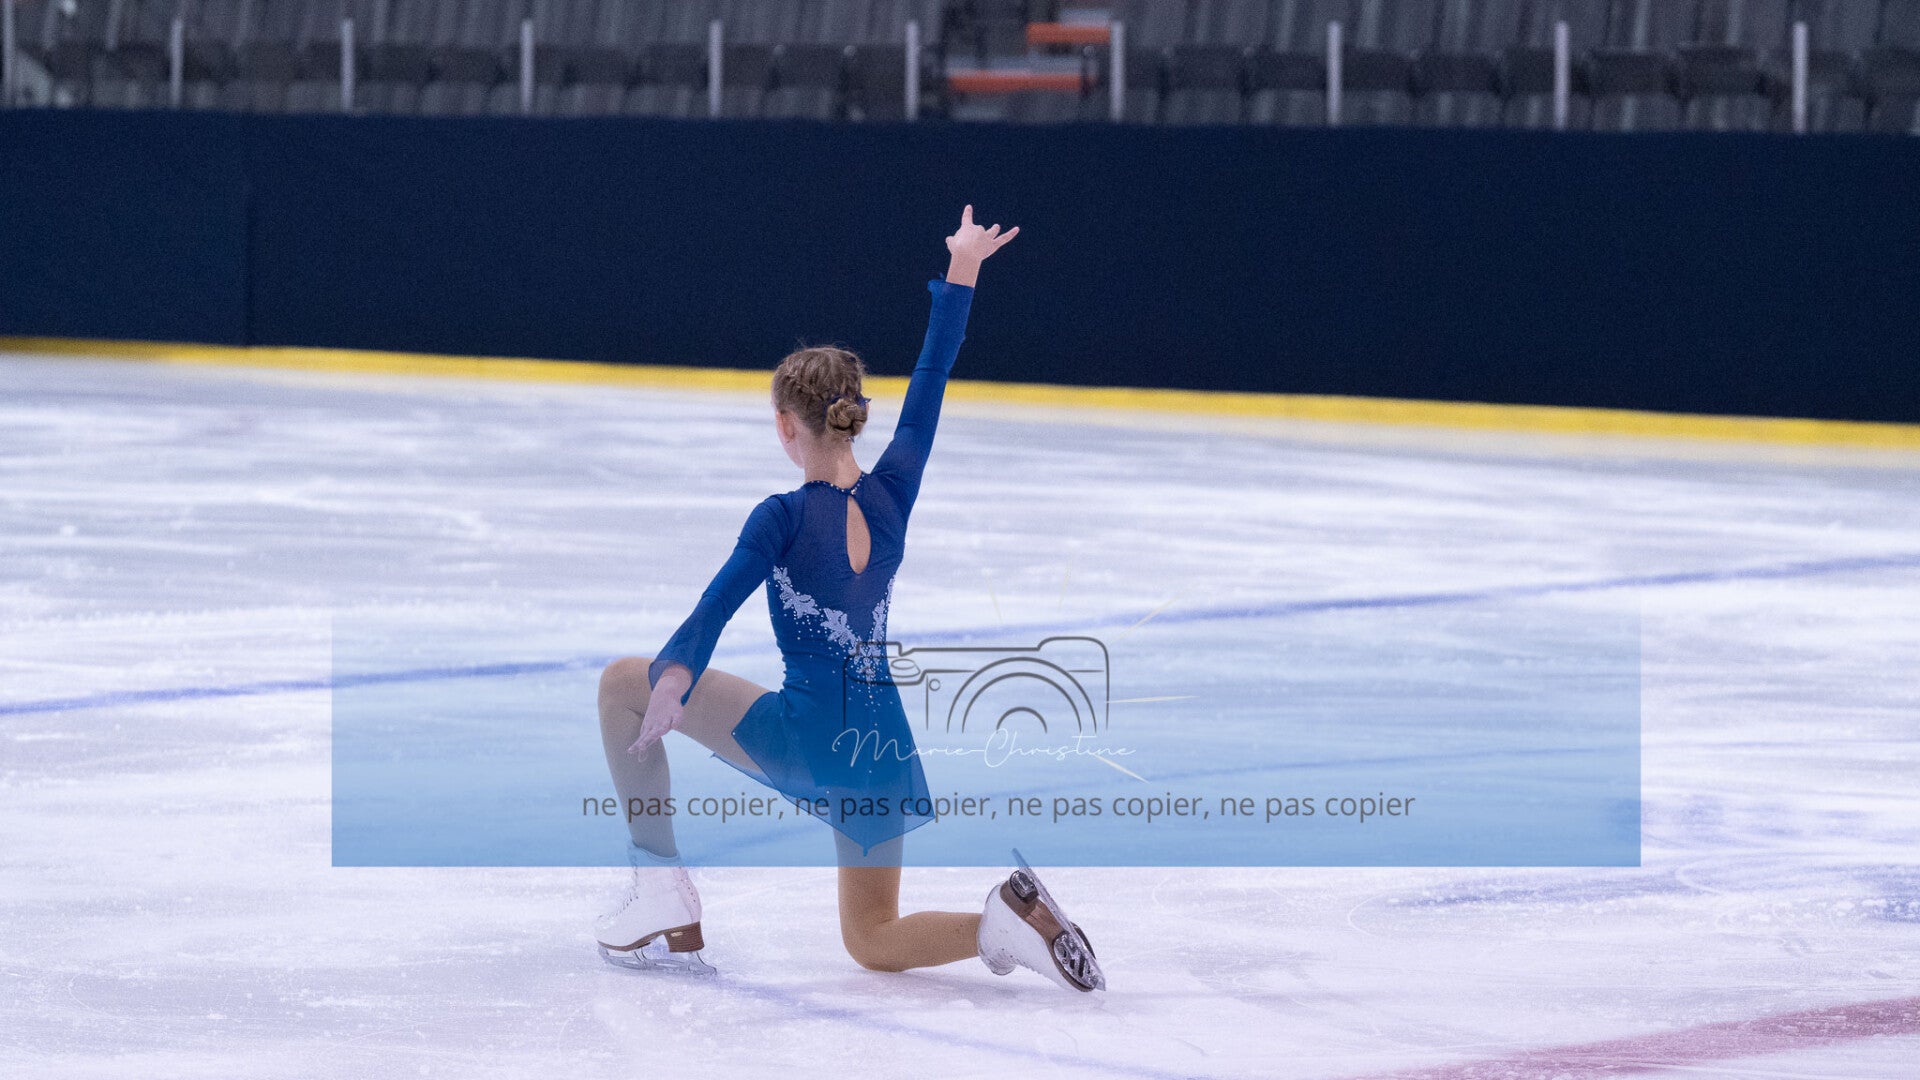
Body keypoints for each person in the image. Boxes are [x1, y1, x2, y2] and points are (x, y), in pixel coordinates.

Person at [592, 206, 1103, 992]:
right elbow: (930, 381)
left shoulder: (783, 516)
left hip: (811, 738)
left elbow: (719, 600)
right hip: (883, 743)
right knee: (871, 937)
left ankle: (658, 884)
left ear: (784, 426)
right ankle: (1002, 923)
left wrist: (674, 674)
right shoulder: (894, 491)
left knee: (619, 684)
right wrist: (963, 270)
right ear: (853, 417)